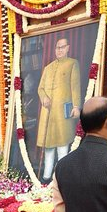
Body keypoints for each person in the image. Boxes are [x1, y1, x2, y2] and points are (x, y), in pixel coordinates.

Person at [37, 37, 81, 182]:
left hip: (63, 112)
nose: (59, 50)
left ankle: (62, 177)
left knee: (63, 145)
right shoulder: (48, 68)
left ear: (68, 48)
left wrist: (76, 106)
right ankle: (46, 177)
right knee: (49, 147)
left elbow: (75, 87)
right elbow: (40, 88)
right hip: (48, 113)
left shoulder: (72, 64)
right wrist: (44, 98)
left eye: (62, 47)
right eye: (57, 47)